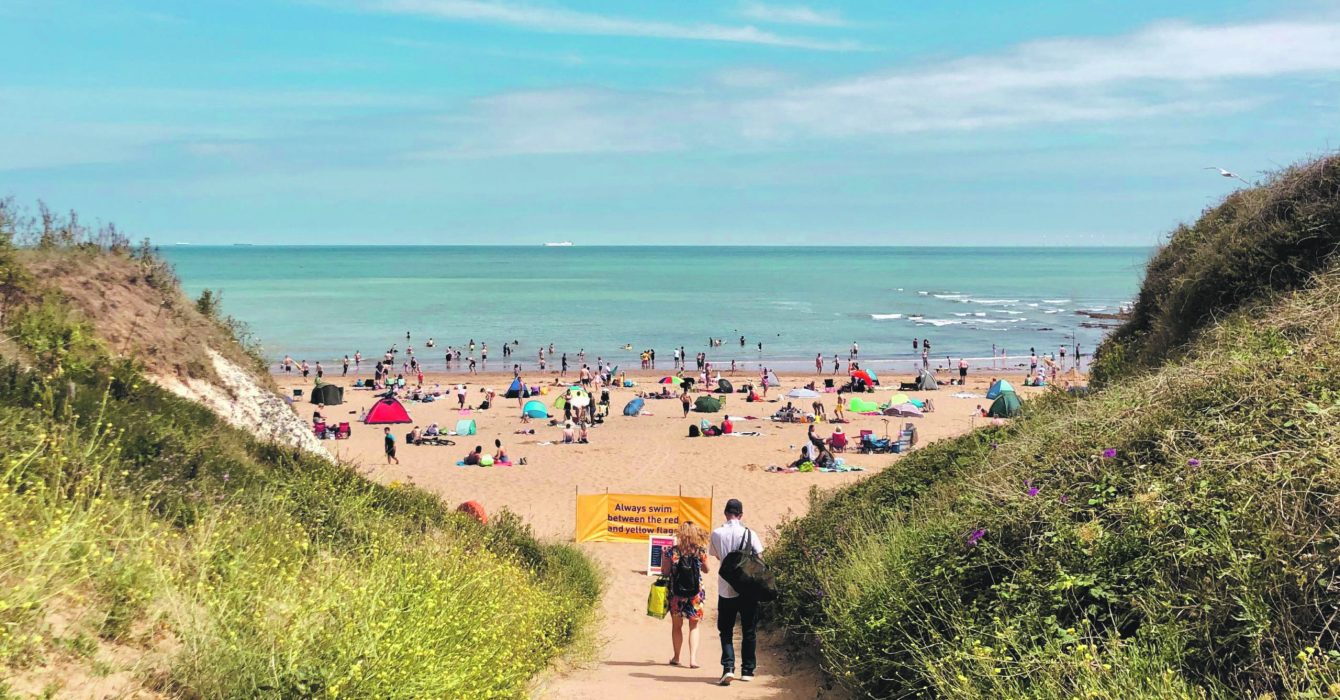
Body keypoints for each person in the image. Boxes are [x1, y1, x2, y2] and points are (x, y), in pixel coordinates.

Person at [710, 499, 763, 686]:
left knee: (725, 630)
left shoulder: (716, 533)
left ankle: (728, 668)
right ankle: (747, 670)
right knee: (749, 630)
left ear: (725, 513)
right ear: (740, 515)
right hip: (747, 589)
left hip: (726, 588)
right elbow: (759, 557)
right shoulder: (749, 533)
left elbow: (717, 556)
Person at [663, 521, 711, 669]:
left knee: (677, 626)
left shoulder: (672, 552)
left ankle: (677, 657)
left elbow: (665, 572)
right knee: (694, 626)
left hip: (676, 594)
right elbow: (707, 570)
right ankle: (693, 659)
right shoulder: (700, 551)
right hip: (695, 594)